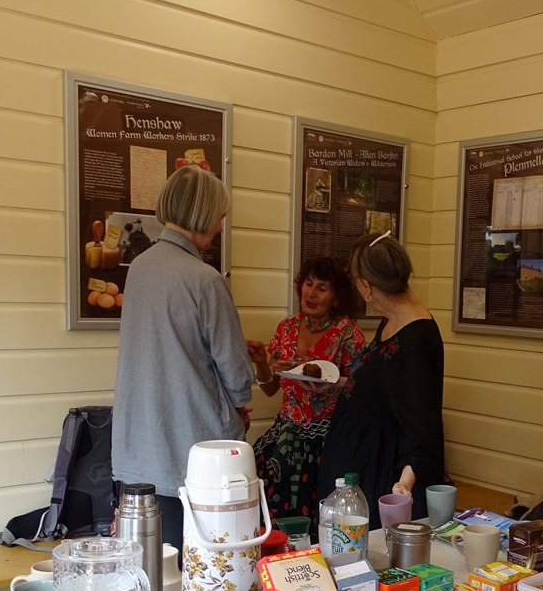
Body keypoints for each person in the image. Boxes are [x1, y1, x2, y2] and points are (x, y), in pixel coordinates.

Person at [112, 165, 254, 548]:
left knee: (151, 563)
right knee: (202, 560)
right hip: (195, 445)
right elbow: (235, 373)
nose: (221, 226)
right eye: (220, 217)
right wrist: (243, 402)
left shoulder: (139, 267)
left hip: (140, 443)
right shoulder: (204, 278)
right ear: (205, 215)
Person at [317, 231, 445, 528]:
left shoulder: (416, 338)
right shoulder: (391, 321)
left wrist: (404, 483)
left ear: (367, 286)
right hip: (357, 463)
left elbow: (421, 424)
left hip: (380, 472)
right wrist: (338, 384)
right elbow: (383, 384)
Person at [247, 256, 365, 520]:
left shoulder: (348, 334)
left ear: (336, 298)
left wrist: (329, 384)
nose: (311, 293)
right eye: (308, 284)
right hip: (287, 433)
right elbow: (270, 388)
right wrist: (263, 364)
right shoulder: (286, 329)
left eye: (322, 288)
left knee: (321, 512)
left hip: (328, 438)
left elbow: (359, 391)